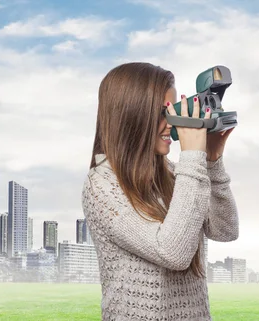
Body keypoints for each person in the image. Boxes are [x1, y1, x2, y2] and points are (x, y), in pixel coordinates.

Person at [81, 62, 239, 320]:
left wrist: (211, 161)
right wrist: (192, 156)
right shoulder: (101, 185)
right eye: (162, 113)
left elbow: (225, 230)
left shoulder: (179, 173)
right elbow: (172, 253)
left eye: (173, 110)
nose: (171, 123)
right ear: (132, 116)